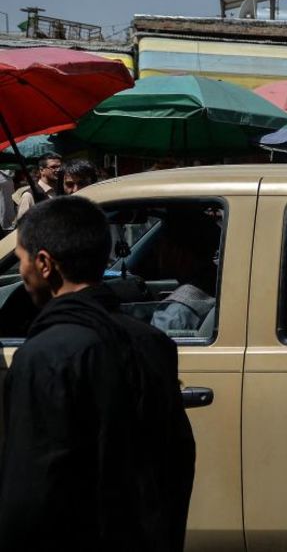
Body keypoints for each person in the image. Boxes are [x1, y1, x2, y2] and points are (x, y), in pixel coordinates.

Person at [0, 196, 195, 550]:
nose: (22, 272)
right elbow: (177, 462)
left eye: (22, 259)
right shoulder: (151, 343)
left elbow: (30, 487)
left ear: (44, 263)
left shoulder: (45, 355)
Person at [149, 211, 221, 334]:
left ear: (177, 252)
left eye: (161, 245)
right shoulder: (219, 285)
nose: (157, 253)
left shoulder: (174, 315)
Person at [14, 152, 62, 222]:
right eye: (53, 167)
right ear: (42, 170)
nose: (58, 170)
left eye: (59, 167)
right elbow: (22, 225)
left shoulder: (61, 188)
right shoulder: (29, 196)